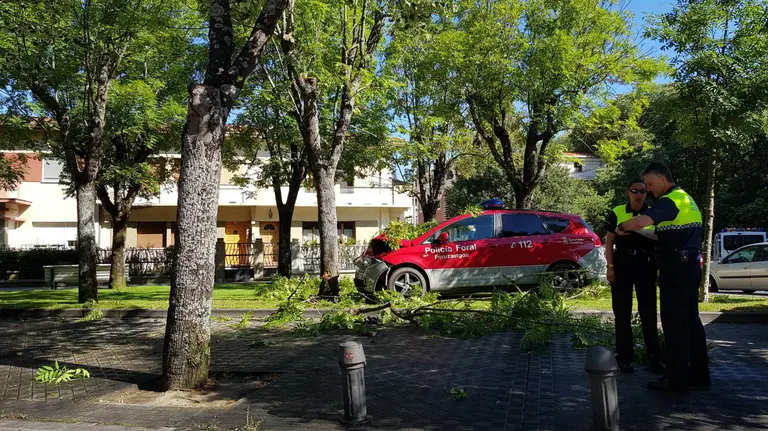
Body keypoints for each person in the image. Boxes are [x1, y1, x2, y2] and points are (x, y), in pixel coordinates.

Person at [615, 162, 710, 394]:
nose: (648, 189)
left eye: (650, 184)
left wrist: (623, 226)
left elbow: (641, 221)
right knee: (691, 322)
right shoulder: (687, 200)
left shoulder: (669, 201)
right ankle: (699, 374)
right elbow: (664, 235)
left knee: (674, 323)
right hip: (689, 266)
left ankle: (675, 380)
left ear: (663, 180)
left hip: (676, 269)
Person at [604, 179, 663, 374]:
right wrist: (610, 267)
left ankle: (654, 357)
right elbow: (609, 241)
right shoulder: (617, 212)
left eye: (643, 191)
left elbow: (660, 240)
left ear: (646, 193)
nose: (639, 194)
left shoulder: (653, 213)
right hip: (622, 266)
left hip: (646, 266)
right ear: (627, 192)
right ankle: (624, 358)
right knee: (622, 313)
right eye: (635, 191)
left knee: (648, 313)